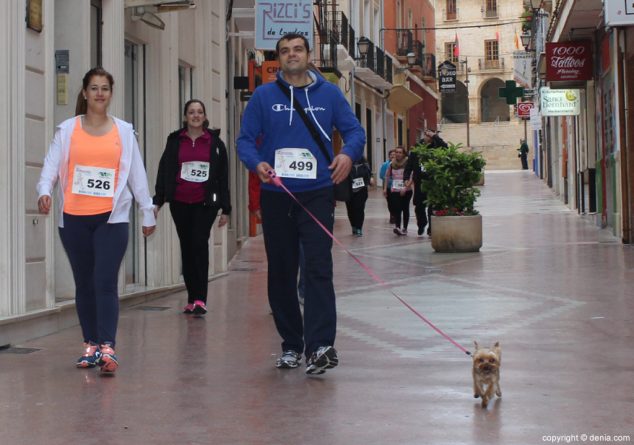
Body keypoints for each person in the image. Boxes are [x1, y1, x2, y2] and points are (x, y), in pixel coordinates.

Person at [237, 33, 365, 375]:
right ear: (278, 58)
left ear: (309, 55)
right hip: (277, 197)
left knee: (318, 268)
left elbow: (355, 132)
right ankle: (292, 345)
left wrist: (347, 155)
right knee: (281, 272)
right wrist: (257, 164)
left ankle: (321, 345)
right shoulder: (264, 97)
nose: (291, 55)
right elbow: (245, 141)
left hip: (317, 194)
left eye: (297, 49)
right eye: (284, 51)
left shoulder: (329, 94)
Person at [36, 67, 156, 375]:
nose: (100, 93)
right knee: (84, 283)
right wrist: (44, 192)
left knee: (104, 281)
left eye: (105, 88)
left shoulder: (124, 132)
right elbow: (51, 166)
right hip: (74, 219)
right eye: (94, 88)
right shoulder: (67, 129)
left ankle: (108, 347)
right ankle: (90, 345)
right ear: (85, 93)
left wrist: (146, 210)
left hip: (111, 219)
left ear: (110, 94)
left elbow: (136, 174)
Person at [153, 99, 230, 315]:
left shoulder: (215, 143)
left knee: (199, 243)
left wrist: (226, 208)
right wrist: (158, 201)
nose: (196, 115)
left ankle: (200, 298)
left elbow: (223, 177)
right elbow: (164, 170)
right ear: (185, 116)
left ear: (205, 117)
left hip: (205, 204)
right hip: (179, 202)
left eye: (199, 112)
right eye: (191, 112)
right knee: (187, 248)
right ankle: (191, 297)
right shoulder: (175, 141)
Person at [383, 146, 413, 236]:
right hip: (395, 190)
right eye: (397, 152)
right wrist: (385, 188)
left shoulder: (408, 163)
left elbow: (412, 176)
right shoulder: (392, 164)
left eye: (400, 152)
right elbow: (387, 176)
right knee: (397, 209)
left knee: (405, 208)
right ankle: (398, 227)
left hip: (406, 190)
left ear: (404, 154)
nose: (398, 154)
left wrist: (405, 187)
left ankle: (405, 228)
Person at [346, 156, 373, 236]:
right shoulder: (347, 162)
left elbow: (369, 174)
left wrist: (371, 179)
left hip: (361, 190)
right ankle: (353, 225)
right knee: (350, 209)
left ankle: (359, 228)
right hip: (349, 190)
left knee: (359, 209)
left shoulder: (365, 164)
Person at [379, 149, 396, 223]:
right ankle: (392, 214)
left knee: (396, 201)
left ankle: (396, 215)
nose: (392, 156)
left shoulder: (400, 164)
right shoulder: (385, 164)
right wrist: (389, 180)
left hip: (397, 187)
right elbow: (381, 175)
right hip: (388, 186)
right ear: (389, 156)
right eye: (391, 155)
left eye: (394, 154)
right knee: (390, 202)